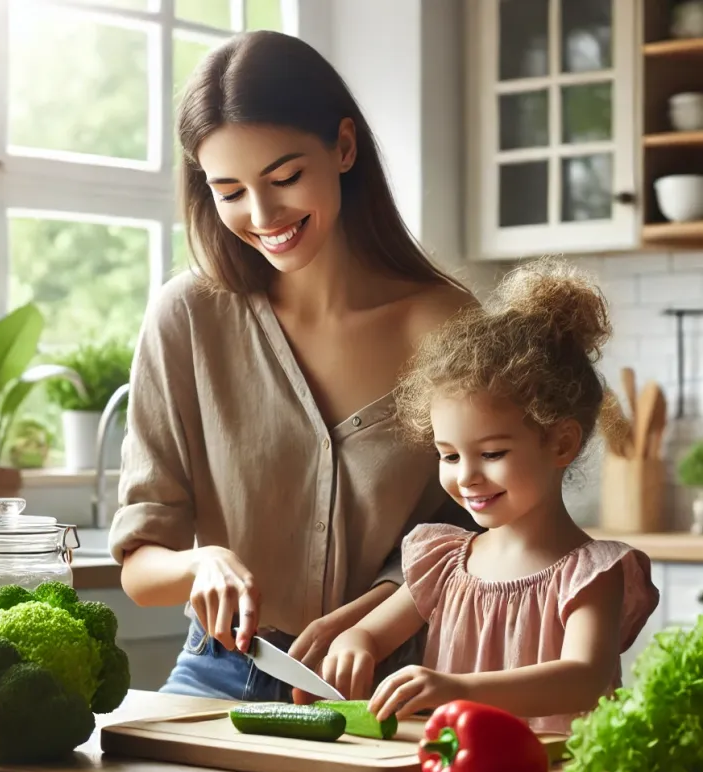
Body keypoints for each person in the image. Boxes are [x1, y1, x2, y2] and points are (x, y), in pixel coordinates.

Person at [107, 29, 480, 702]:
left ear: (342, 147)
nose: (261, 214)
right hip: (220, 670)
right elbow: (140, 561)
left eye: (283, 178)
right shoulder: (185, 317)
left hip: (389, 684)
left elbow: (486, 530)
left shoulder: (446, 324)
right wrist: (201, 564)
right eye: (229, 191)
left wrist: (376, 614)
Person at [318, 259, 660, 735]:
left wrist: (458, 689)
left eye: (493, 453)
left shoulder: (592, 574)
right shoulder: (442, 562)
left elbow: (585, 678)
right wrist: (354, 644)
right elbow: (369, 633)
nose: (468, 477)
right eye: (450, 456)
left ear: (560, 443)